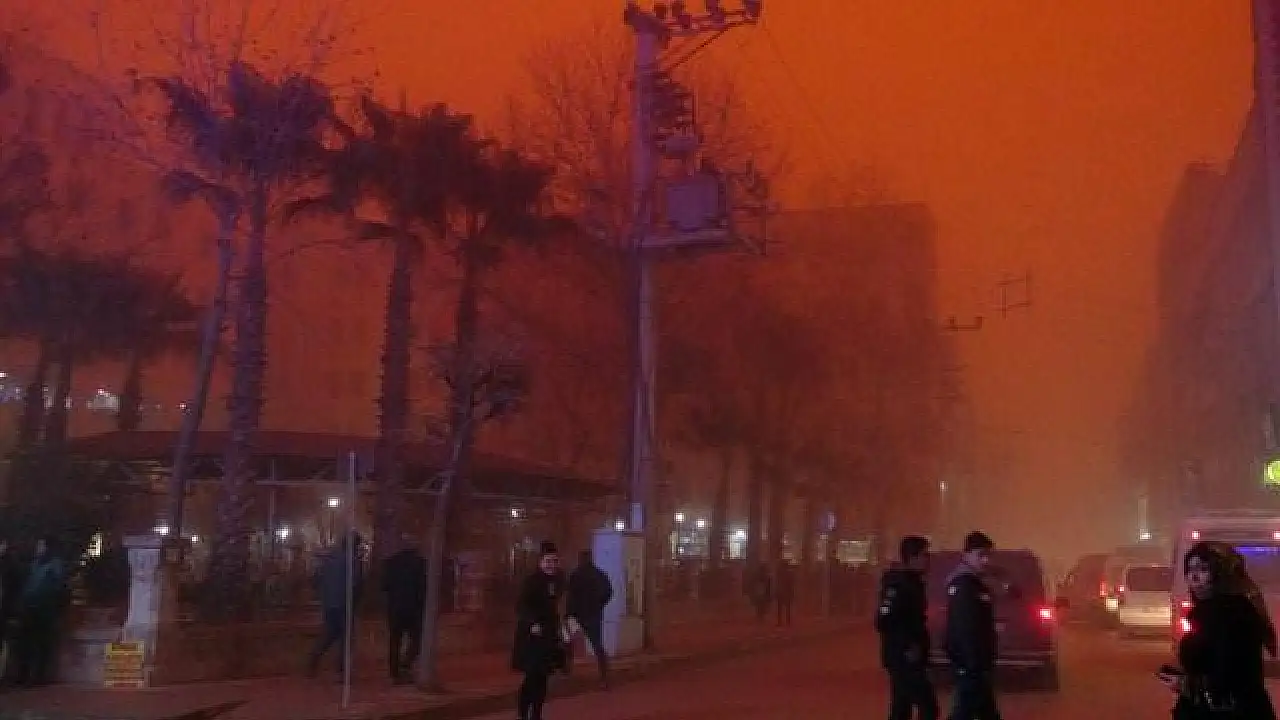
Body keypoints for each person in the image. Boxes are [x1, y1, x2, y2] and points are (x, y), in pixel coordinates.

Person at [1159, 541, 1277, 719]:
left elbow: (1231, 677)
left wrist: (1186, 685)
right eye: (1190, 570)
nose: (1194, 577)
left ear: (1221, 574)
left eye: (1203, 569)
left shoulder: (1232, 615)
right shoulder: (1209, 614)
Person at [877, 535, 937, 720]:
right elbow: (884, 620)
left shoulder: (914, 583)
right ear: (912, 558)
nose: (928, 560)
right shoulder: (898, 585)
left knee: (901, 708)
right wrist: (907, 646)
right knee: (928, 706)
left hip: (910, 656)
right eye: (925, 555)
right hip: (903, 657)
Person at [944, 530, 1000, 720]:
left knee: (981, 711)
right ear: (966, 555)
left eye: (988, 555)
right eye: (980, 555)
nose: (986, 560)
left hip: (976, 663)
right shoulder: (965, 585)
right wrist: (972, 663)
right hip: (972, 664)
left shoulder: (974, 583)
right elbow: (965, 628)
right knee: (965, 711)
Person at [511, 541, 566, 720]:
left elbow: (559, 606)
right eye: (548, 561)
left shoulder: (558, 581)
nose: (551, 565)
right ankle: (523, 713)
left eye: (554, 561)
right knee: (532, 678)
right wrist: (533, 622)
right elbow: (521, 606)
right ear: (540, 562)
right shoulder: (532, 581)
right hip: (531, 637)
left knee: (543, 678)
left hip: (548, 636)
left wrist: (565, 626)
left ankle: (536, 714)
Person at [10, 536, 68, 687]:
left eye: (41, 545)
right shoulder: (35, 563)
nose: (38, 548)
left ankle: (39, 677)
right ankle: (23, 675)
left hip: (44, 608)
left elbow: (57, 587)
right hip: (30, 606)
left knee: (41, 643)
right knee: (26, 642)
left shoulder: (54, 564)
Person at [307, 532, 364, 678]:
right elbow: (356, 583)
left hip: (329, 603)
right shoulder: (353, 561)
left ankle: (314, 659)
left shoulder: (330, 559)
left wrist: (323, 593)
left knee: (329, 634)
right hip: (345, 603)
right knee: (346, 638)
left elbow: (316, 578)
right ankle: (342, 671)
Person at [382, 534, 427, 684]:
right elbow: (423, 587)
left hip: (395, 608)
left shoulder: (391, 563)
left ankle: (394, 672)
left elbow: (384, 586)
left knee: (395, 640)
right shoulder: (420, 563)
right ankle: (406, 663)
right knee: (417, 639)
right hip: (414, 609)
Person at [565, 549, 613, 687]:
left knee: (568, 641)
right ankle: (604, 676)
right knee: (597, 645)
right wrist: (599, 604)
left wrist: (569, 613)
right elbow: (608, 592)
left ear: (580, 559)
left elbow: (570, 596)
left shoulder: (575, 575)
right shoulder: (599, 574)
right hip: (593, 615)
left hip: (577, 615)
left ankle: (567, 670)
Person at [776, 560, 796, 627]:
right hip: (786, 592)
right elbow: (791, 584)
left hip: (782, 592)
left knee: (781, 608)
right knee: (787, 608)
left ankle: (781, 621)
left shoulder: (780, 573)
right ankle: (787, 621)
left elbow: (778, 583)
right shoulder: (789, 573)